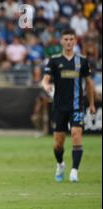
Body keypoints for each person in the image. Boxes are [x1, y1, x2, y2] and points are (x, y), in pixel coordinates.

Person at [41, 29, 96, 183]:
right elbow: (45, 80)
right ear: (61, 41)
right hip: (59, 107)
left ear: (75, 41)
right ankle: (60, 164)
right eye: (66, 39)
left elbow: (89, 84)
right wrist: (46, 86)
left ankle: (74, 171)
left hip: (77, 105)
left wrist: (91, 104)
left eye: (71, 39)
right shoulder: (54, 60)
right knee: (58, 144)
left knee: (76, 134)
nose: (69, 42)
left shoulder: (82, 61)